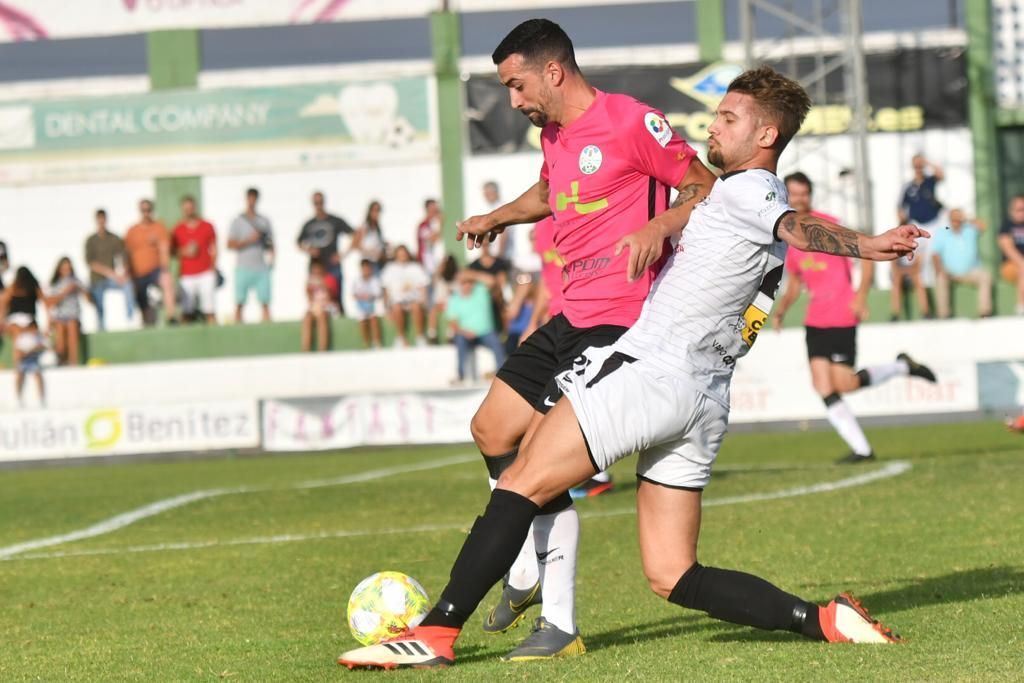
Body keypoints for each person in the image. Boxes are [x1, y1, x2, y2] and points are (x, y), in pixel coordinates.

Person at [337, 66, 921, 672]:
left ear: (767, 134)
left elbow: (793, 225)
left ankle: (436, 632)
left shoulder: (754, 191)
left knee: (521, 480)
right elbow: (718, 217)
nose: (712, 128)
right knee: (673, 573)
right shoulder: (729, 198)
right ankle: (823, 619)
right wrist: (659, 224)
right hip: (705, 397)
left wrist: (866, 244)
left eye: (728, 119)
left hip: (651, 373)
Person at [348, 19, 712, 662]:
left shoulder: (631, 121)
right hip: (570, 313)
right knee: (490, 430)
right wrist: (498, 217)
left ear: (553, 70)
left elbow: (702, 186)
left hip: (620, 320)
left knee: (538, 466)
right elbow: (551, 190)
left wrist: (660, 225)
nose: (512, 100)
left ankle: (560, 622)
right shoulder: (555, 134)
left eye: (516, 85)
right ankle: (522, 565)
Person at [772, 172, 937, 464]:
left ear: (810, 195)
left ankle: (902, 367)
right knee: (822, 386)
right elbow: (796, 282)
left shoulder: (829, 224)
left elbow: (866, 255)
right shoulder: (790, 236)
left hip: (841, 314)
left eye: (803, 193)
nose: (798, 199)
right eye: (793, 194)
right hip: (815, 319)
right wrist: (782, 309)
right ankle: (862, 449)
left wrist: (861, 295)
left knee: (844, 384)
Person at [891, 154, 943, 320]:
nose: (918, 168)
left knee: (933, 258)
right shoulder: (908, 187)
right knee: (912, 269)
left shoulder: (929, 181)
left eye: (920, 165)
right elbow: (900, 207)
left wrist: (926, 161)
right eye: (916, 166)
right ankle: (898, 313)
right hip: (918, 227)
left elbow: (941, 174)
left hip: (933, 224)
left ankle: (933, 306)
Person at [447, 270, 507, 384]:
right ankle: (460, 375)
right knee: (460, 340)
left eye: (469, 282)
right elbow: (453, 324)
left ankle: (502, 375)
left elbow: (492, 281)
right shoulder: (454, 299)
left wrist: (470, 274)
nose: (467, 285)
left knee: (497, 344)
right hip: (465, 335)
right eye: (464, 282)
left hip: (486, 333)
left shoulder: (480, 291)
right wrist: (465, 332)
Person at [931, 208, 992, 319]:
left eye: (958, 219)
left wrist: (967, 218)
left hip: (970, 271)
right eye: (954, 219)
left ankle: (985, 312)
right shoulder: (943, 231)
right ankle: (944, 315)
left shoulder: (969, 229)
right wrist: (939, 269)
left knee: (985, 276)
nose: (956, 222)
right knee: (940, 278)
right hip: (949, 272)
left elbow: (983, 226)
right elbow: (935, 254)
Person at [298, 191, 352, 314]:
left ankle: (340, 319)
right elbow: (298, 242)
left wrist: (343, 254)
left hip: (332, 265)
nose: (318, 205)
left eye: (320, 202)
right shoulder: (309, 224)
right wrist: (309, 250)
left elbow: (355, 234)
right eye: (316, 203)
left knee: (336, 296)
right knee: (316, 296)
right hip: (316, 266)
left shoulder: (335, 220)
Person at [228, 187, 274, 323]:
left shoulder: (264, 221)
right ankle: (237, 328)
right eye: (249, 198)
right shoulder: (238, 221)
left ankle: (267, 328)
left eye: (254, 198)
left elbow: (271, 243)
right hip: (243, 267)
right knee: (239, 302)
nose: (252, 201)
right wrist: (248, 240)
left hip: (261, 266)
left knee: (265, 301)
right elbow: (230, 244)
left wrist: (272, 260)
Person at [125, 199, 173, 326]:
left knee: (166, 280)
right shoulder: (132, 231)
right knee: (143, 305)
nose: (146, 213)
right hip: (138, 273)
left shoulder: (159, 227)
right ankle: (146, 322)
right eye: (143, 210)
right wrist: (128, 273)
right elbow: (127, 253)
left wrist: (164, 269)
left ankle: (171, 316)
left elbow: (164, 249)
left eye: (148, 210)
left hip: (155, 270)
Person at [172, 196, 218, 324]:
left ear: (195, 208)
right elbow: (172, 251)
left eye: (190, 208)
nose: (188, 211)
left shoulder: (207, 226)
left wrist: (213, 268)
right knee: (186, 312)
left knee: (209, 310)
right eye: (185, 209)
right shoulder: (177, 229)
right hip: (187, 274)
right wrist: (184, 251)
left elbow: (214, 247)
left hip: (205, 272)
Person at [84, 208, 133, 330]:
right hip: (97, 279)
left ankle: (130, 319)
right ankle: (101, 327)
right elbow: (91, 263)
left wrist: (123, 273)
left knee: (128, 285)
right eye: (99, 219)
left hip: (112, 278)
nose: (102, 222)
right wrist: (110, 273)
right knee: (98, 302)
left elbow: (123, 256)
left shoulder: (114, 239)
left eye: (103, 219)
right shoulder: (91, 240)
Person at [381, 245, 429, 347]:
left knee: (416, 307)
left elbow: (423, 286)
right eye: (400, 253)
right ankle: (400, 337)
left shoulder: (416, 267)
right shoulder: (389, 268)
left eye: (404, 253)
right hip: (397, 302)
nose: (402, 255)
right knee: (397, 308)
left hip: (414, 300)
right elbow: (385, 289)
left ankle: (420, 337)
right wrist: (386, 308)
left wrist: (424, 301)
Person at [46, 256, 86, 366]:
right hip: (60, 316)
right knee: (60, 336)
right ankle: (60, 359)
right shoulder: (55, 283)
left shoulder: (76, 281)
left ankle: (74, 362)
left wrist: (80, 289)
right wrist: (65, 292)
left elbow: (88, 298)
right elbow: (50, 302)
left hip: (73, 316)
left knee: (72, 327)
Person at [0, 266, 45, 358]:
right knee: (17, 332)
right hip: (14, 321)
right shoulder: (13, 287)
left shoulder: (33, 288)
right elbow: (3, 304)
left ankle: (27, 361)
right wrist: (2, 321)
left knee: (32, 336)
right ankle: (19, 364)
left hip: (30, 321)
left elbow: (45, 303)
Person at [301, 261, 338, 352]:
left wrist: (322, 284)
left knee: (322, 317)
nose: (316, 272)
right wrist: (308, 289)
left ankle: (322, 349)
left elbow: (332, 297)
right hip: (315, 307)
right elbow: (309, 300)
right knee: (307, 318)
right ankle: (306, 349)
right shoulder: (310, 281)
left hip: (328, 307)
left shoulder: (329, 279)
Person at [997, 195, 1024, 314]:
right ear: (1011, 210)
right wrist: (1022, 263)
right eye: (1019, 209)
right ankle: (1021, 307)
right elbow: (1008, 249)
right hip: (1010, 266)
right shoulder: (1006, 226)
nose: (1021, 212)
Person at [14, 320, 47, 408]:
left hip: (34, 360)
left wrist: (33, 350)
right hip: (24, 361)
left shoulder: (40, 337)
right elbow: (18, 352)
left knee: (38, 375)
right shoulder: (23, 337)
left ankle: (41, 399)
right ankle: (19, 399)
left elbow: (43, 347)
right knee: (19, 375)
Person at [352, 258, 383, 348]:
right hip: (361, 306)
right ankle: (366, 344)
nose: (366, 271)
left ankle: (377, 342)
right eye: (364, 269)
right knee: (362, 321)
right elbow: (354, 295)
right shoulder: (356, 281)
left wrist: (368, 297)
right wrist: (363, 298)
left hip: (373, 305)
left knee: (373, 319)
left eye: (368, 268)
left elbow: (377, 294)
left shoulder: (375, 280)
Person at [350, 201, 387, 272]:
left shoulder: (377, 228)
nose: (376, 213)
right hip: (368, 263)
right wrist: (371, 252)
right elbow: (355, 245)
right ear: (369, 211)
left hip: (378, 262)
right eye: (374, 210)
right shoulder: (365, 226)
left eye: (378, 211)